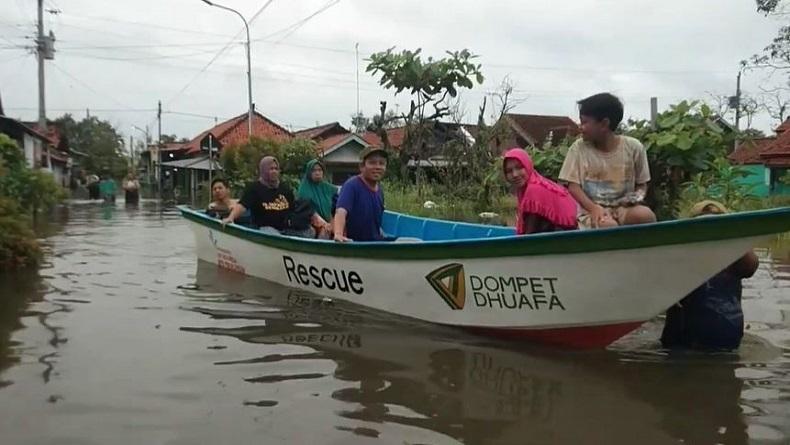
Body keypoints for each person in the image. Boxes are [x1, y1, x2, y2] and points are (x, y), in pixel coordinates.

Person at [660, 200, 760, 351]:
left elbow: (751, 266)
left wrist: (735, 239)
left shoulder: (735, 257)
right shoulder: (680, 257)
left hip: (724, 335)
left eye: (717, 225)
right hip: (682, 341)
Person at [558, 93, 656, 229]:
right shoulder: (578, 149)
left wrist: (635, 199)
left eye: (585, 122)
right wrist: (592, 208)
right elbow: (573, 186)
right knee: (608, 225)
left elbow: (642, 185)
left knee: (645, 215)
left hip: (624, 208)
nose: (580, 127)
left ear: (604, 124)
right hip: (593, 211)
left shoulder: (634, 148)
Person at [222, 156, 326, 237]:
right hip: (266, 228)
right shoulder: (255, 188)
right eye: (271, 169)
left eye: (276, 169)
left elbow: (294, 207)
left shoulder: (284, 188)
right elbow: (242, 205)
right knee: (275, 237)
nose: (274, 171)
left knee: (310, 232)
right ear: (264, 170)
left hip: (286, 227)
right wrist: (230, 217)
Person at [503, 148, 578, 234]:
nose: (515, 174)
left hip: (567, 235)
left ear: (528, 166)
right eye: (509, 171)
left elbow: (529, 234)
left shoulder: (534, 189)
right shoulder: (531, 184)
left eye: (519, 167)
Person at [333, 147, 387, 242]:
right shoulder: (352, 185)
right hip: (355, 244)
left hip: (375, 243)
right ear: (362, 166)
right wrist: (338, 234)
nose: (378, 167)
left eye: (381, 163)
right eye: (372, 163)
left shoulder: (380, 190)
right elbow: (341, 211)